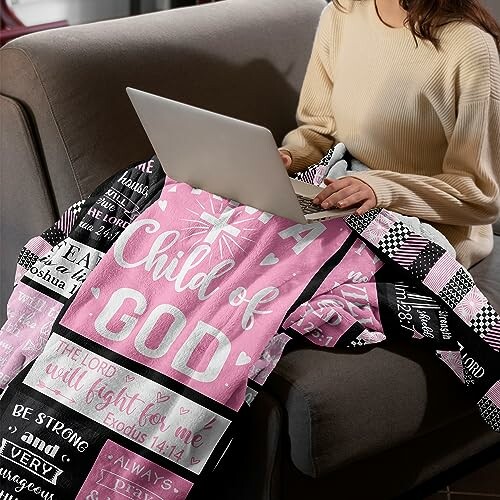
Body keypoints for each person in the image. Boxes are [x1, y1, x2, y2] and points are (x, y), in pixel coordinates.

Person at [278, 0, 500, 269]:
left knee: (311, 284)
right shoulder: (341, 13)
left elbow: (477, 194)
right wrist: (291, 157)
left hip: (433, 220)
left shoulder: (470, 47)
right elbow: (319, 128)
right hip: (343, 189)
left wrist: (382, 188)